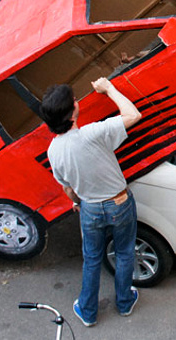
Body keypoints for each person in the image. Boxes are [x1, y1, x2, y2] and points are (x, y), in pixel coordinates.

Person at [39, 77, 143, 327]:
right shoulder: (93, 133)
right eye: (74, 100)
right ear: (72, 112)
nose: (77, 101)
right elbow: (133, 114)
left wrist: (77, 202)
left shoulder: (53, 151)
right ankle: (125, 303)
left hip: (90, 208)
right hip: (119, 202)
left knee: (92, 259)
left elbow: (68, 187)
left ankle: (87, 312)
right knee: (125, 251)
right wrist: (109, 89)